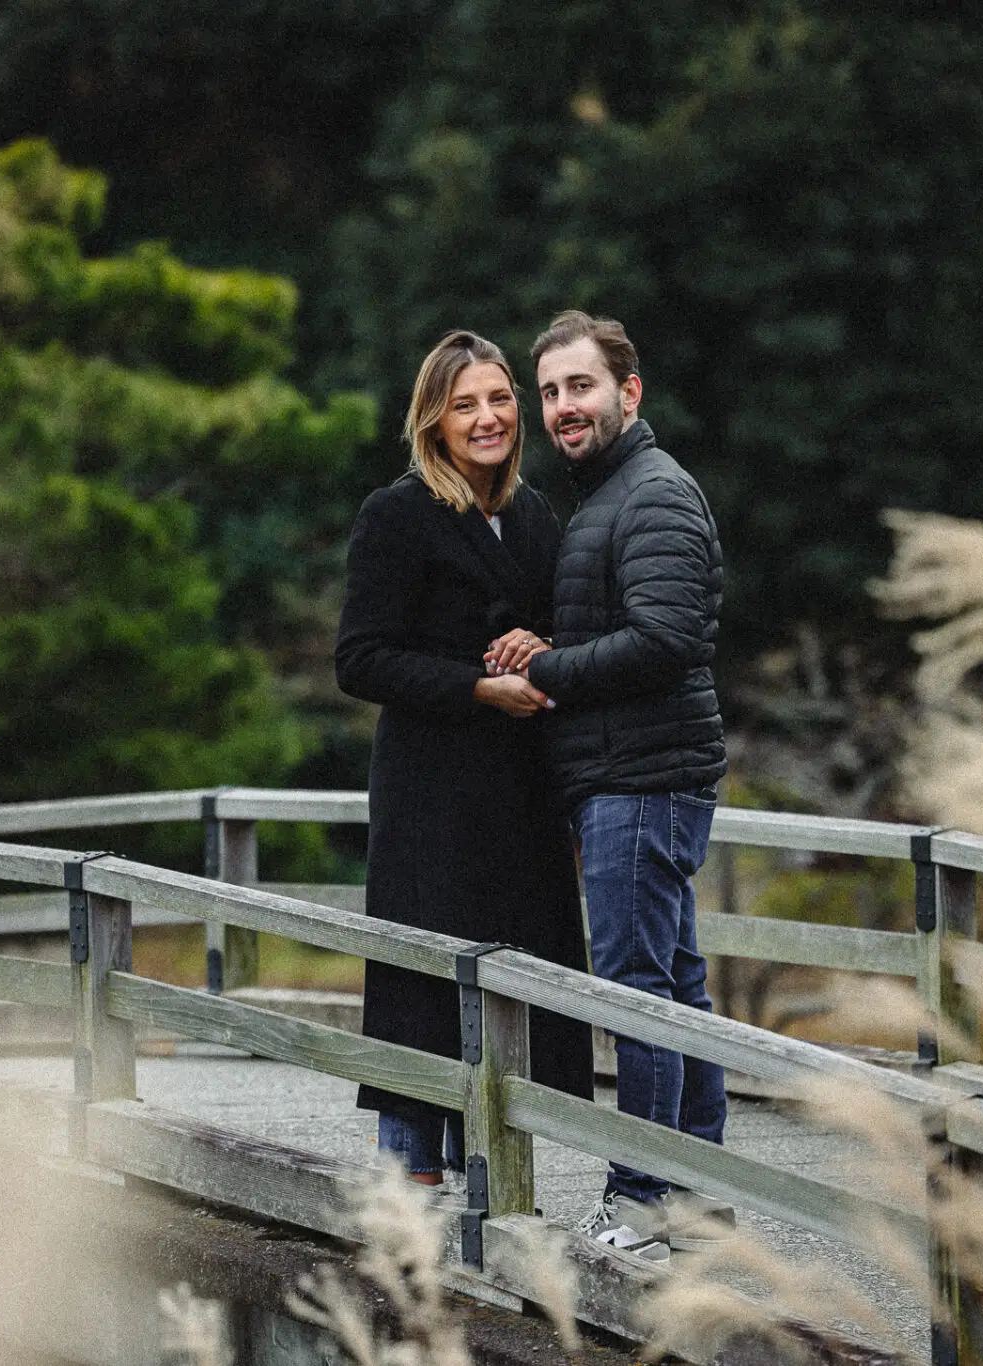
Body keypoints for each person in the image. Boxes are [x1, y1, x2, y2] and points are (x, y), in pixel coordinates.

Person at [485, 310, 730, 1259]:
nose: (561, 408)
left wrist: (545, 669)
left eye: (579, 387)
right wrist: (559, 650)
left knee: (634, 991)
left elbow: (667, 641)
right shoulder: (606, 495)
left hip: (643, 778)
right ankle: (699, 1198)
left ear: (630, 392)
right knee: (674, 989)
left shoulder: (653, 495)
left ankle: (640, 1199)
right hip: (632, 775)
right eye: (549, 392)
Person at [335, 328, 595, 1185]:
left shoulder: (532, 516)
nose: (487, 418)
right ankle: (406, 1203)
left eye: (499, 399)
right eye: (465, 405)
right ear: (433, 422)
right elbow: (360, 659)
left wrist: (545, 647)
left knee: (514, 990)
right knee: (425, 992)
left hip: (521, 799)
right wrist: (476, 687)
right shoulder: (398, 513)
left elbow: (566, 628)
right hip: (432, 800)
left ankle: (495, 1192)